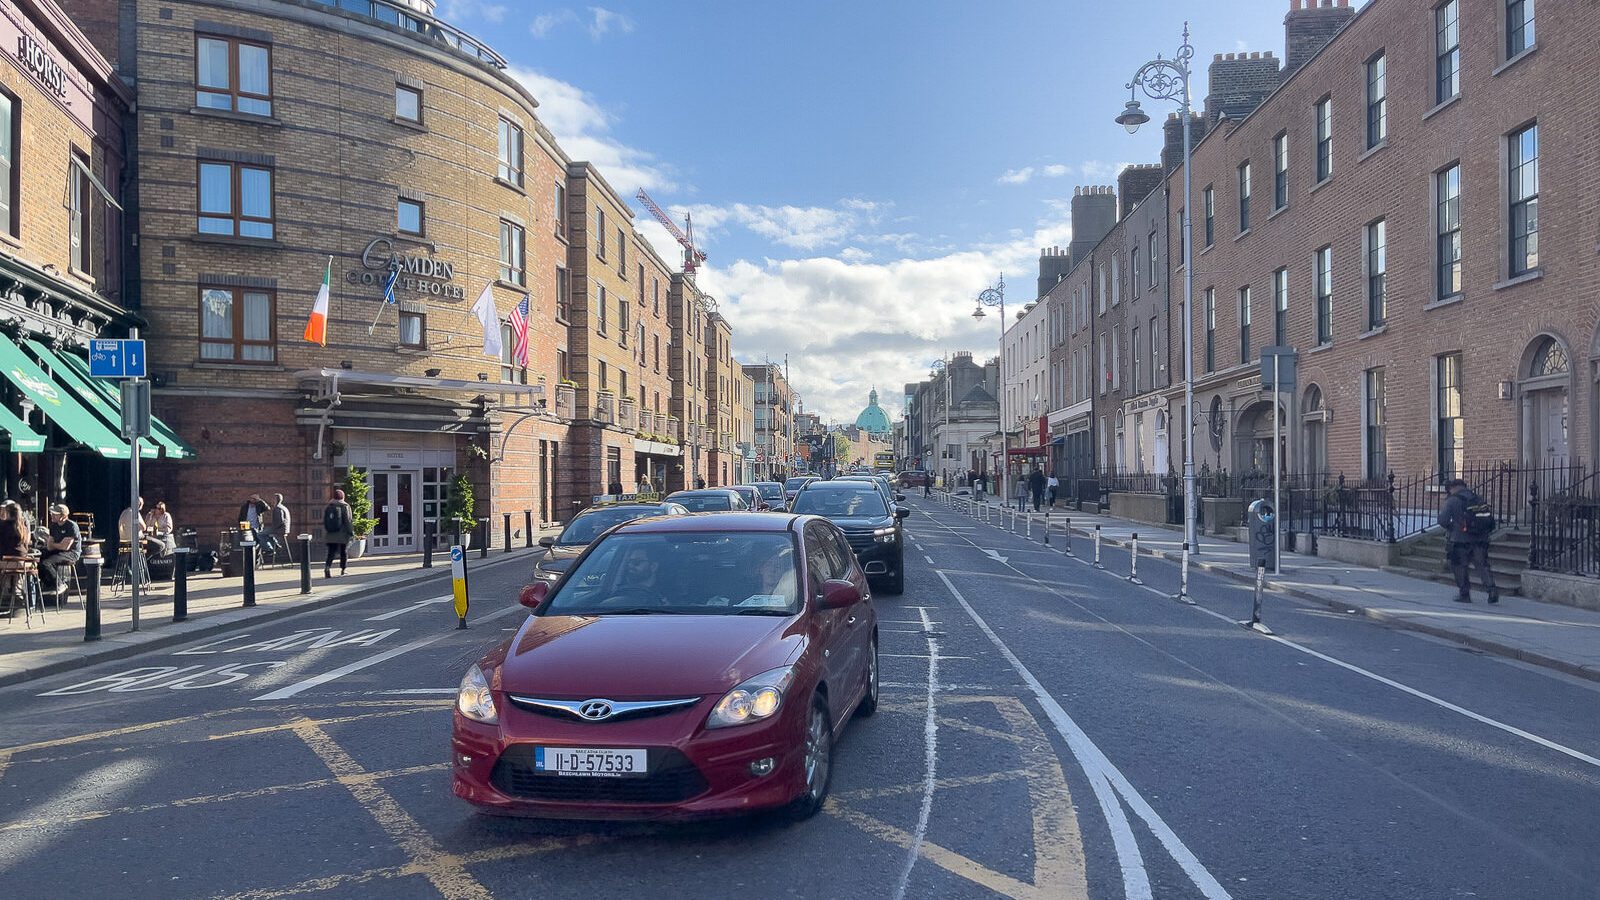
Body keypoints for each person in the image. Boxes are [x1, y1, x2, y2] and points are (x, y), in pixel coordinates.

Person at [1439, 477, 1498, 604]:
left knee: (1460, 567)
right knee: (1482, 566)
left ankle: (1464, 594)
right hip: (1480, 539)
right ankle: (1492, 590)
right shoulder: (1477, 498)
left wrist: (1452, 527)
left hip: (1460, 540)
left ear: (1453, 488)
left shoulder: (1452, 500)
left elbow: (1442, 520)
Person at [40, 503, 80, 594]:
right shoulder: (53, 526)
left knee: (47, 562)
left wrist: (55, 544)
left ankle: (59, 584)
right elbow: (49, 547)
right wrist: (57, 544)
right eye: (52, 513)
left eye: (55, 513)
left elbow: (66, 547)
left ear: (63, 516)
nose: (52, 515)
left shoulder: (71, 526)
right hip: (58, 551)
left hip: (71, 553)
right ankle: (48, 585)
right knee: (38, 559)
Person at [0, 500, 31, 614]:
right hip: (23, 561)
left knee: (4, 569)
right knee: (12, 571)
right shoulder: (23, 525)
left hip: (8, 560)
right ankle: (15, 593)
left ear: (7, 512)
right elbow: (27, 543)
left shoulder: (3, 525)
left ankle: (6, 595)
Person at [322, 489, 354, 578]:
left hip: (330, 534)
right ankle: (343, 570)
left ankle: (327, 568)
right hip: (342, 535)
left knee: (331, 553)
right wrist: (351, 532)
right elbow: (348, 521)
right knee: (344, 552)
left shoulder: (329, 507)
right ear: (343, 497)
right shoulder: (345, 506)